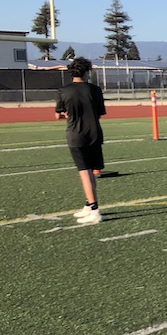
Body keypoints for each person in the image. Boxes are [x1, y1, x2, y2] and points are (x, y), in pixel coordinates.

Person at [55, 57, 106, 225]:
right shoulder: (96, 90)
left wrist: (66, 115)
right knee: (91, 170)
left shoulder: (64, 90)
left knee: (84, 172)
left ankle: (94, 209)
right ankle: (88, 205)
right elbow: (99, 113)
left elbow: (58, 114)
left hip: (76, 134)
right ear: (87, 72)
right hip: (94, 133)